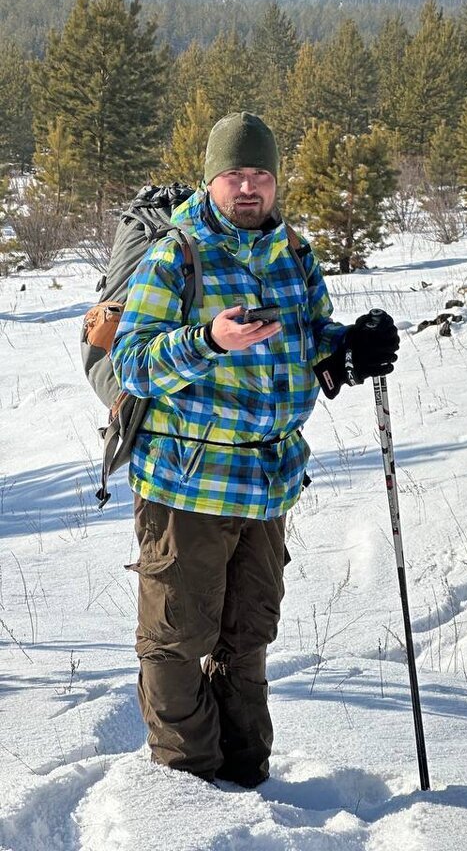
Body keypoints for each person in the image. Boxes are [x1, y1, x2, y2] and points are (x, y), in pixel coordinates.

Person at [111, 111, 399, 787]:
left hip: (268, 485)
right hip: (189, 484)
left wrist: (351, 347)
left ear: (275, 183)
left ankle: (246, 778)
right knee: (178, 641)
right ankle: (188, 784)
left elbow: (312, 339)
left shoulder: (294, 252)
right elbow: (134, 363)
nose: (249, 187)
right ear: (212, 180)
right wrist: (207, 340)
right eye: (235, 174)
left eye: (261, 175)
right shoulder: (178, 254)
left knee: (248, 640)